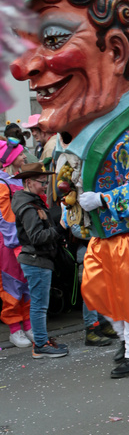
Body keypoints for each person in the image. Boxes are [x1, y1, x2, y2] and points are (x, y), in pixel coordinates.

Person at [10, 0, 129, 377]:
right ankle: (127, 341)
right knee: (99, 294)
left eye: (53, 38)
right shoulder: (77, 138)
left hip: (128, 236)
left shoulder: (124, 138)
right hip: (100, 238)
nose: (20, 68)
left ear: (116, 51)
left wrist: (106, 199)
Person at [10, 161, 68, 357]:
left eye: (45, 181)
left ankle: (42, 341)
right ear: (28, 182)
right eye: (41, 182)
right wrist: (60, 228)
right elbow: (36, 237)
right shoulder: (27, 205)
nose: (45, 186)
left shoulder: (30, 200)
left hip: (37, 260)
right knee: (39, 305)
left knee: (39, 304)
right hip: (36, 260)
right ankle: (41, 345)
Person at [0, 139, 32, 348]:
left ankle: (28, 323)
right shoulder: (2, 184)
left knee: (27, 282)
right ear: (10, 158)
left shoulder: (20, 180)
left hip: (24, 240)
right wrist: (15, 243)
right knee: (11, 284)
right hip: (8, 244)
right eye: (21, 154)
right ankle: (14, 327)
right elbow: (6, 218)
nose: (25, 157)